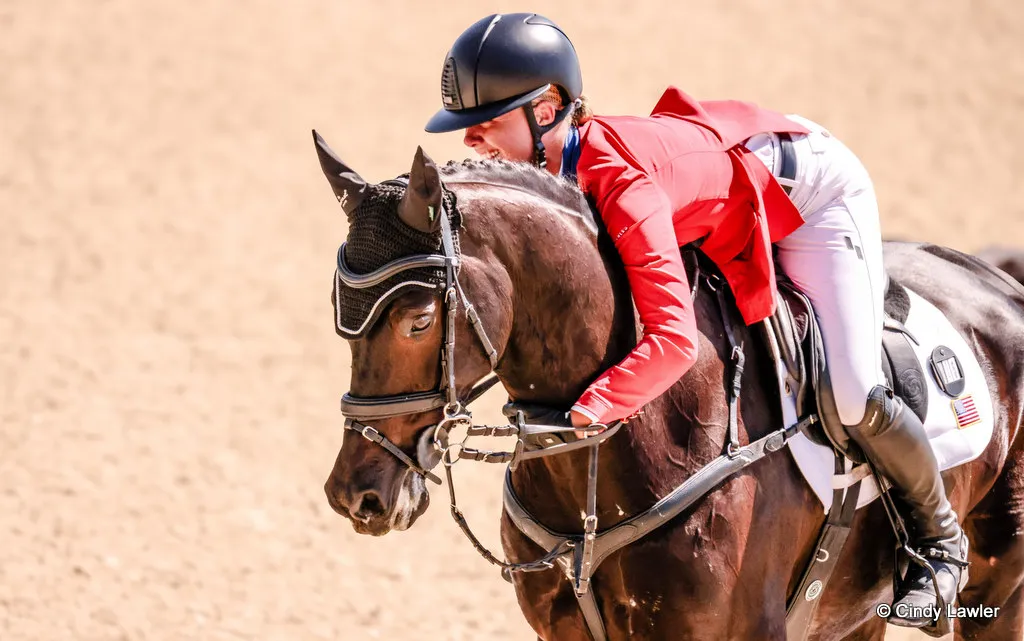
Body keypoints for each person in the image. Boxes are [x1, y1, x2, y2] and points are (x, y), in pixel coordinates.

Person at [423, 13, 968, 630]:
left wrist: (590, 408)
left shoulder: (621, 187)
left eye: (485, 124)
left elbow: (674, 344)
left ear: (547, 109)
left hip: (812, 193)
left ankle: (940, 545)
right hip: (719, 181)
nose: (470, 143)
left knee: (848, 389)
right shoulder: (549, 185)